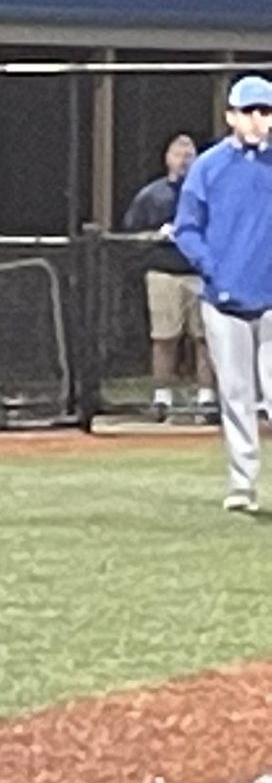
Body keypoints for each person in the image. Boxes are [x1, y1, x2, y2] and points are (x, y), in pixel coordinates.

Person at [173, 77, 272, 511]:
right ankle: (243, 484)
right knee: (235, 395)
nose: (258, 120)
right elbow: (187, 228)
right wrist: (215, 270)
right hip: (223, 300)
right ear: (230, 115)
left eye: (265, 112)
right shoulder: (209, 166)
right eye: (249, 111)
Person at [124, 133, 209, 421]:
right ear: (167, 158)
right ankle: (162, 398)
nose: (184, 160)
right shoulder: (151, 195)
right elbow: (131, 236)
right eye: (178, 154)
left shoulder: (206, 193)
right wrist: (157, 236)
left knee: (204, 339)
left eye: (189, 154)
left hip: (200, 275)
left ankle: (206, 398)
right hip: (163, 274)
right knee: (164, 337)